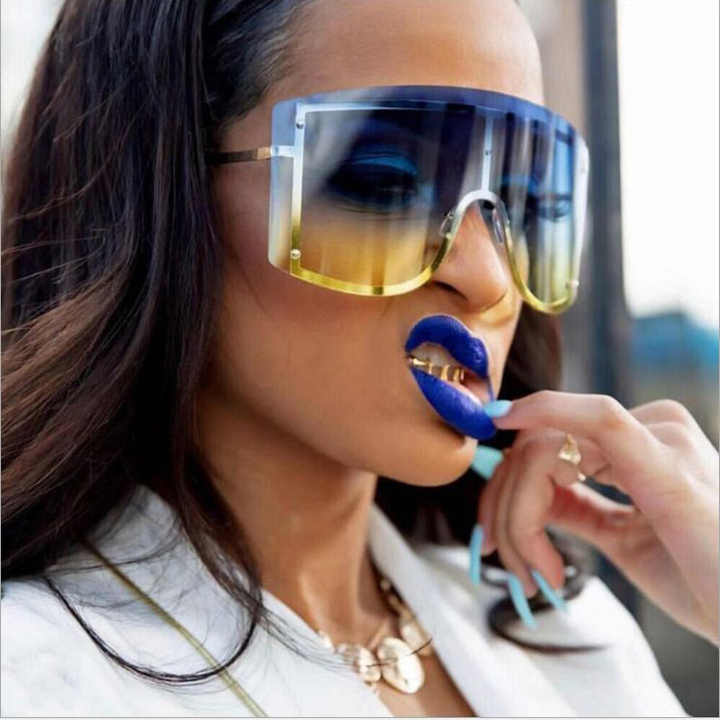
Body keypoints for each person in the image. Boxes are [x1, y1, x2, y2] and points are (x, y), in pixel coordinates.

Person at [1, 0, 716, 716]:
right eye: (382, 185)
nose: (489, 279)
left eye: (526, 204)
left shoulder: (568, 636)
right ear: (164, 193)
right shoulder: (41, 682)